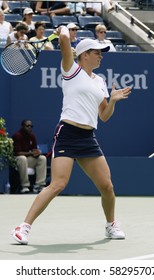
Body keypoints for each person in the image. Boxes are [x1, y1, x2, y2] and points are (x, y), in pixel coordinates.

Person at [12, 26, 131, 245]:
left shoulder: (100, 81)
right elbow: (65, 39)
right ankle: (24, 226)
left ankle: (111, 225)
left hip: (88, 138)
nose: (101, 56)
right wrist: (62, 29)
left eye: (101, 53)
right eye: (97, 52)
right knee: (58, 184)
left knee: (107, 186)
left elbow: (103, 116)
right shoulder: (71, 69)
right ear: (84, 55)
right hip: (67, 134)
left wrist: (112, 100)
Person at [12, 120, 47, 194]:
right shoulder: (17, 136)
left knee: (42, 158)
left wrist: (36, 152)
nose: (29, 128)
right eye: (27, 126)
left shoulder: (32, 136)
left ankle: (39, 185)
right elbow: (17, 153)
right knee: (22, 158)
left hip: (28, 159)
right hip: (18, 159)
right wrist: (31, 153)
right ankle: (25, 186)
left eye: (31, 126)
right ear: (22, 126)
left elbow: (33, 148)